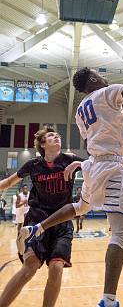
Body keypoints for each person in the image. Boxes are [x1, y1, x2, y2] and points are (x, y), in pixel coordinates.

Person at [19, 67, 123, 307]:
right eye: (100, 75)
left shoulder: (81, 110)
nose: (105, 77)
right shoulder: (109, 91)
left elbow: (102, 124)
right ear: (93, 79)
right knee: (121, 233)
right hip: (112, 166)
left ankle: (38, 227)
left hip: (92, 164)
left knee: (80, 207)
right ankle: (108, 300)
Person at [0, 126, 84, 307]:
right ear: (43, 144)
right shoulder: (34, 165)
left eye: (57, 135)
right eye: (51, 136)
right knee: (29, 268)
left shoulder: (70, 160)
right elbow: (8, 182)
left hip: (62, 223)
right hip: (36, 221)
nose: (56, 137)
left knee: (56, 269)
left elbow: (99, 167)